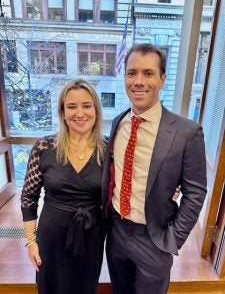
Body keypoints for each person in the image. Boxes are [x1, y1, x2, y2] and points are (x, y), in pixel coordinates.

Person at [102, 43, 207, 294]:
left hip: (154, 238)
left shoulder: (187, 133)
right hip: (116, 231)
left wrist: (172, 238)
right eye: (132, 73)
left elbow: (195, 194)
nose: (139, 81)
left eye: (148, 73)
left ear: (162, 79)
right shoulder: (119, 122)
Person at [21, 78, 106, 294]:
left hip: (91, 235)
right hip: (51, 236)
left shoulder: (109, 149)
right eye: (71, 106)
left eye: (86, 106)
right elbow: (28, 198)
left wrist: (168, 188)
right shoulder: (43, 147)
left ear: (95, 110)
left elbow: (132, 181)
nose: (80, 113)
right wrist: (31, 242)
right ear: (62, 112)